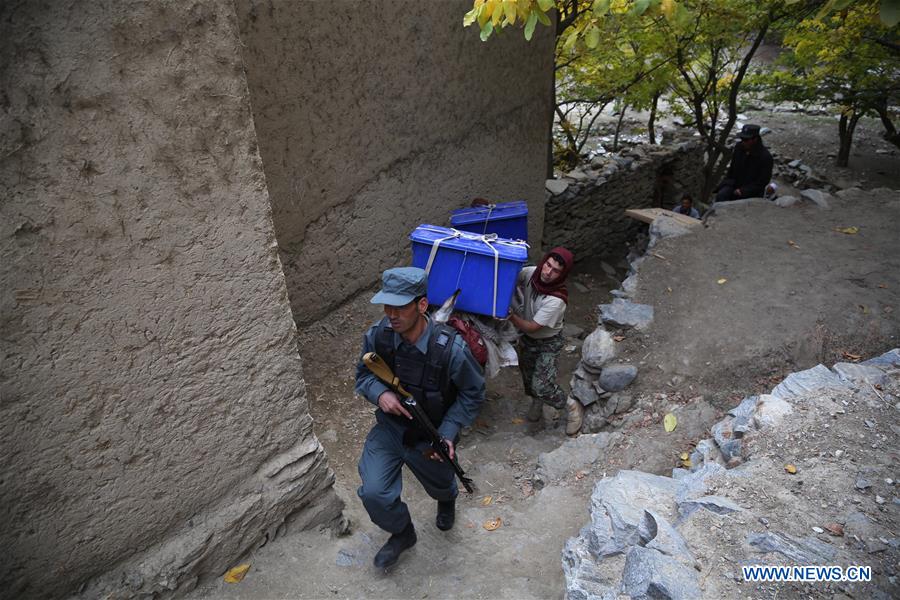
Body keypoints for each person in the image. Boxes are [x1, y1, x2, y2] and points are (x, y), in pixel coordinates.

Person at [355, 267, 485, 570]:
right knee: (374, 492)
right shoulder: (380, 336)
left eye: (399, 307)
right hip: (391, 429)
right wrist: (380, 394)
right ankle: (402, 534)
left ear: (422, 305)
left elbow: (473, 393)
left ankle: (446, 499)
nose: (391, 314)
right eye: (387, 306)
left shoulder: (451, 350)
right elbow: (363, 374)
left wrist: (450, 432)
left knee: (441, 481)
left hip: (432, 434)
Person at [507, 247, 583, 436]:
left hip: (547, 342)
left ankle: (571, 406)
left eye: (555, 270)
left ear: (562, 274)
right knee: (528, 377)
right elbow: (512, 278)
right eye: (548, 265)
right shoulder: (532, 273)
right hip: (527, 340)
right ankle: (537, 401)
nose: (548, 272)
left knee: (542, 385)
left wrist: (511, 316)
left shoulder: (556, 300)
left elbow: (533, 327)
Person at [715, 124, 774, 203]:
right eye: (742, 139)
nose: (743, 142)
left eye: (746, 140)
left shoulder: (765, 157)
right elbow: (732, 169)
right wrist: (727, 183)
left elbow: (762, 182)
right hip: (734, 184)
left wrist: (744, 190)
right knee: (721, 196)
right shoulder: (739, 148)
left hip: (751, 191)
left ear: (755, 139)